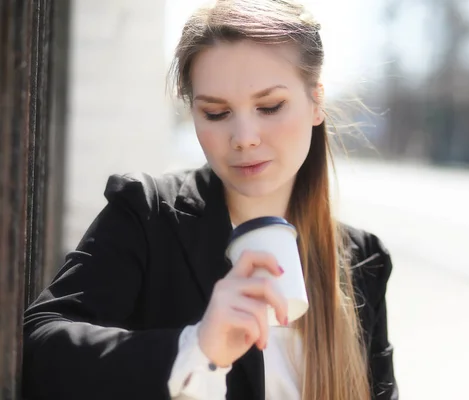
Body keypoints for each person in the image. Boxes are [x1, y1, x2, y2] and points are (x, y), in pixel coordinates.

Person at [22, 1, 398, 399]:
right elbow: (37, 348)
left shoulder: (362, 261)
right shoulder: (147, 216)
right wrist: (196, 346)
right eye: (216, 113)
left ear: (316, 101)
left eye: (269, 106)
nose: (244, 137)